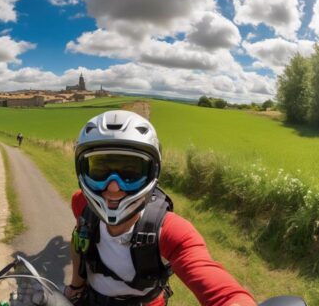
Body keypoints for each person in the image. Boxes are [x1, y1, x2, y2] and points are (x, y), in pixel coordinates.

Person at [64, 110, 256, 306]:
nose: (113, 187)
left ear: (151, 173)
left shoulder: (171, 230)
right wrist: (76, 286)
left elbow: (223, 292)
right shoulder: (81, 203)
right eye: (99, 171)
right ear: (82, 170)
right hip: (91, 299)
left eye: (130, 173)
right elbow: (80, 239)